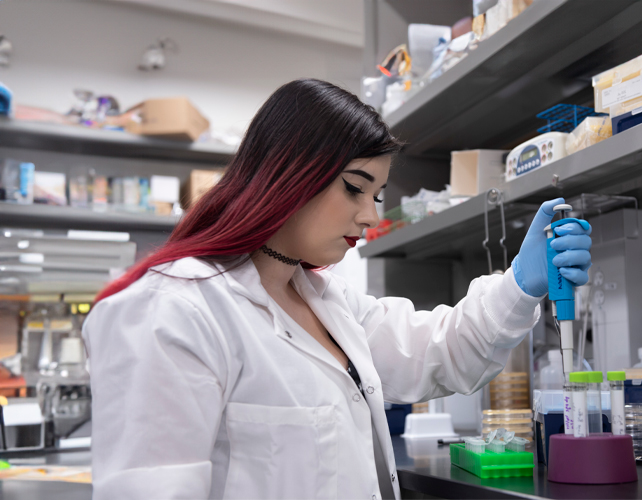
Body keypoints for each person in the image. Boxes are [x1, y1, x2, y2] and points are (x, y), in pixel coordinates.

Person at [81, 79, 592, 500]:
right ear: (287, 171)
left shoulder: (326, 301)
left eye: (377, 194)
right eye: (354, 187)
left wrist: (521, 285)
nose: (370, 215)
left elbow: (438, 350)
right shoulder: (172, 311)